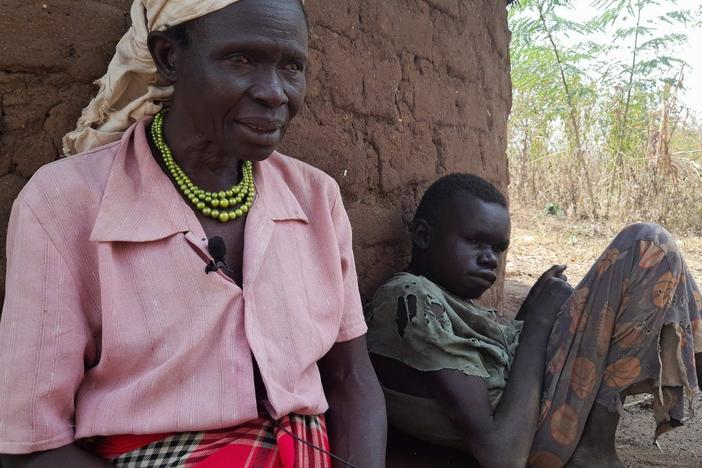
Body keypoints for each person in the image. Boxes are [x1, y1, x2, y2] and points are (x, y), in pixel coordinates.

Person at [0, 1, 387, 466]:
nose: (274, 93)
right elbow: (32, 446)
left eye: (292, 67)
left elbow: (351, 380)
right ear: (169, 57)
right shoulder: (65, 203)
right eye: (240, 59)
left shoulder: (316, 198)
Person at [365, 173, 702, 468]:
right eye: (475, 242)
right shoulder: (410, 298)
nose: (490, 259)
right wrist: (538, 324)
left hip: (541, 409)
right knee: (647, 243)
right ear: (423, 236)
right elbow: (502, 454)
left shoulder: (446, 301)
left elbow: (497, 367)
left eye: (498, 249)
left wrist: (528, 317)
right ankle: (592, 449)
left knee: (662, 264)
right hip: (537, 435)